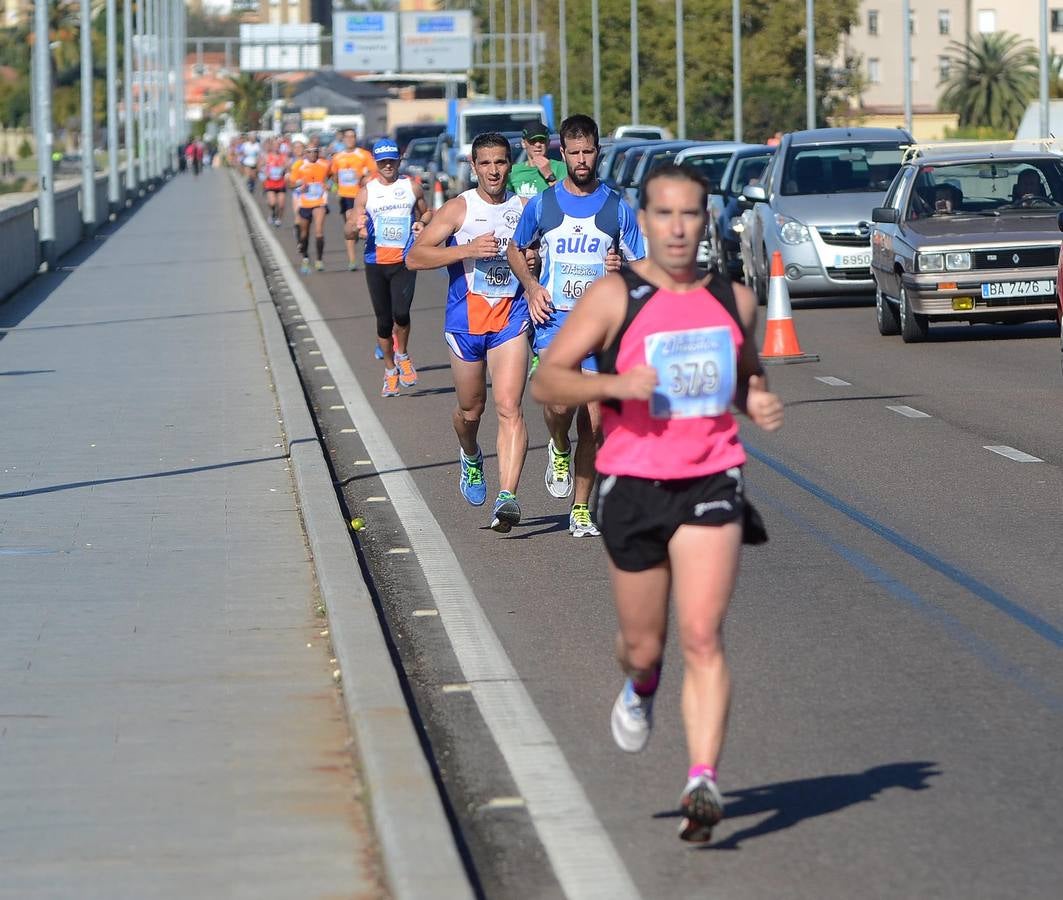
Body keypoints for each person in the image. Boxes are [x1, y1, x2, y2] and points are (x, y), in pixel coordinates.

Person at [531, 163, 783, 844]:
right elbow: (549, 380)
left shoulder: (735, 300)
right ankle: (640, 686)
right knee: (645, 646)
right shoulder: (616, 297)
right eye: (664, 214)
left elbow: (743, 373)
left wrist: (752, 398)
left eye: (690, 214)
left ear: (707, 221)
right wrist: (616, 382)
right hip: (632, 481)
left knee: (703, 634)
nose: (677, 227)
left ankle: (702, 779)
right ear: (641, 221)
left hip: (710, 478)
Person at [507, 113, 644, 538]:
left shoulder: (616, 206)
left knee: (597, 422)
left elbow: (641, 266)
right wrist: (530, 287)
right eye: (575, 153)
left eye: (588, 152)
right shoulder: (543, 204)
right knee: (562, 407)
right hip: (555, 322)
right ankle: (559, 446)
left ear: (597, 152)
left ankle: (580, 508)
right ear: (561, 154)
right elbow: (516, 248)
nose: (582, 160)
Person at [407, 132, 531, 532]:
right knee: (470, 410)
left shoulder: (526, 208)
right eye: (486, 163)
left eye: (500, 162)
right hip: (466, 323)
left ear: (509, 165)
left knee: (509, 407)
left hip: (511, 318)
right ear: (474, 167)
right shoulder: (460, 209)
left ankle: (507, 496)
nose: (494, 170)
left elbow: (543, 255)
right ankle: (470, 454)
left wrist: (534, 258)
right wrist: (466, 250)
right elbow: (415, 256)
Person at [347, 138, 432, 397]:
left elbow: (426, 213)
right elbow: (349, 230)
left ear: (398, 160)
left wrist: (422, 224)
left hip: (404, 260)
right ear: (376, 162)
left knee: (402, 314)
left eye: (391, 160)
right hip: (376, 262)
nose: (387, 165)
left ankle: (403, 354)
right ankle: (389, 369)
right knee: (384, 322)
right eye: (382, 161)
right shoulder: (367, 192)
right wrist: (356, 226)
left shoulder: (411, 187)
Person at [331, 128, 378, 271]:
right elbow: (334, 175)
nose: (350, 139)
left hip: (362, 196)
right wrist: (337, 184)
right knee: (350, 227)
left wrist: (364, 176)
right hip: (346, 195)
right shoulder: (338, 157)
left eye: (353, 137)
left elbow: (373, 171)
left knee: (363, 226)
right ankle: (352, 260)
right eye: (347, 137)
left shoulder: (364, 155)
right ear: (343, 139)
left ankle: (369, 254)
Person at [289, 143, 331, 274]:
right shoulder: (298, 165)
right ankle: (305, 258)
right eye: (310, 152)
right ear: (305, 153)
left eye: (315, 151)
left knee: (319, 231)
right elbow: (291, 183)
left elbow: (332, 176)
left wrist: (328, 184)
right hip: (305, 202)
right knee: (304, 233)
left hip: (320, 202)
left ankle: (319, 260)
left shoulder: (325, 164)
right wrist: (299, 185)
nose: (313, 154)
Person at [507, 121, 567, 200]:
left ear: (548, 143)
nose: (538, 145)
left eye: (542, 140)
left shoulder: (561, 168)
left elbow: (565, 198)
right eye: (533, 141)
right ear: (523, 143)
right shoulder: (513, 171)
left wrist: (549, 175)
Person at [261, 139, 289, 228]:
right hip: (270, 183)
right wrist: (265, 172)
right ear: (272, 146)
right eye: (275, 145)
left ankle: (279, 219)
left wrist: (285, 169)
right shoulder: (267, 156)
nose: (276, 147)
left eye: (278, 145)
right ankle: (273, 213)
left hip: (281, 183)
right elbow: (261, 166)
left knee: (281, 205)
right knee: (273, 203)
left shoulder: (284, 157)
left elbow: (288, 168)